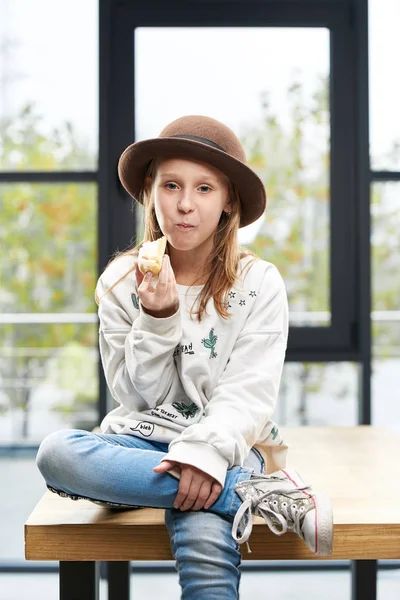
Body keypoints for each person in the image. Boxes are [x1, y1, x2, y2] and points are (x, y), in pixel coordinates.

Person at [36, 115, 333, 599]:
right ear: (151, 191)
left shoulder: (259, 284)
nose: (185, 205)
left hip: (231, 445)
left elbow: (247, 394)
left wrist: (206, 458)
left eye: (204, 189)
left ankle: (232, 483)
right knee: (57, 454)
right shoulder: (119, 281)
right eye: (171, 185)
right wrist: (157, 316)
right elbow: (137, 397)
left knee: (204, 540)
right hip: (144, 443)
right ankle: (250, 493)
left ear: (228, 201)